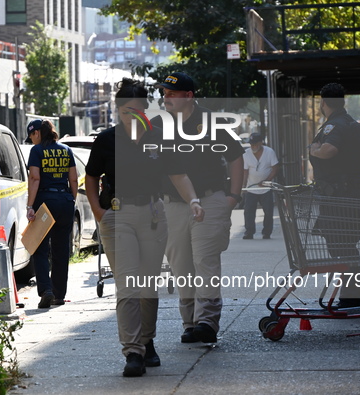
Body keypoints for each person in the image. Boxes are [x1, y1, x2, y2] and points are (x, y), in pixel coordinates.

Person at [85, 78, 201, 377]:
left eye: (137, 110)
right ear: (118, 110)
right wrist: (99, 212)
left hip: (152, 214)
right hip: (118, 215)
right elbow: (91, 176)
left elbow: (178, 174)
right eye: (125, 111)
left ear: (145, 110)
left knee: (148, 286)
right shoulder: (106, 139)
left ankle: (147, 341)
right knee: (128, 284)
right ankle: (133, 351)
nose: (131, 116)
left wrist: (194, 201)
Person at [155, 72, 244, 344]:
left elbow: (236, 158)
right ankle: (190, 322)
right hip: (172, 205)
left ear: (189, 96)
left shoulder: (211, 121)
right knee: (181, 268)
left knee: (205, 262)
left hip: (210, 200)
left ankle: (207, 321)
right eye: (164, 93)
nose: (165, 98)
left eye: (171, 94)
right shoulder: (159, 124)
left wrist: (233, 197)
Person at [309, 82, 360, 309]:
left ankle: (353, 298)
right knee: (347, 245)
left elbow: (329, 151)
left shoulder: (333, 126)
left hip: (339, 196)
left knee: (341, 246)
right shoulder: (353, 124)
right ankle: (352, 297)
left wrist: (314, 150)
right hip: (353, 193)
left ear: (323, 102)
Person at [25, 119, 78, 309]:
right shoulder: (66, 150)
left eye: (31, 136)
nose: (31, 140)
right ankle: (59, 295)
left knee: (39, 247)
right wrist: (71, 200)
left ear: (37, 133)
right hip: (64, 201)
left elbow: (34, 178)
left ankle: (46, 289)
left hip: (45, 203)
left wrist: (30, 206)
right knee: (61, 250)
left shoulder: (37, 151)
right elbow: (73, 179)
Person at [242, 132, 280, 240]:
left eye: (255, 144)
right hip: (251, 188)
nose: (253, 146)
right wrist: (243, 186)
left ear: (260, 143)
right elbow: (245, 171)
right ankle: (249, 232)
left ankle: (267, 232)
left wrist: (267, 181)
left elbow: (275, 168)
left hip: (265, 188)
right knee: (249, 211)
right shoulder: (246, 154)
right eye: (251, 144)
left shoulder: (269, 152)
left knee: (268, 211)